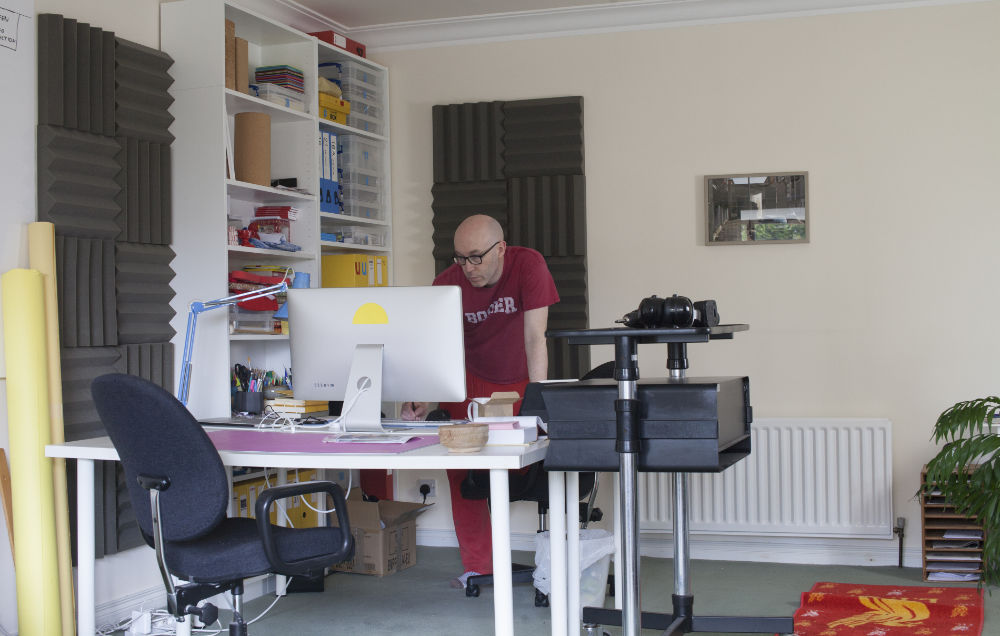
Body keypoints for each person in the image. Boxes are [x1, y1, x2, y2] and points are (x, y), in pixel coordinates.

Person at [401, 213, 559, 589]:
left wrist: (537, 395)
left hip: (520, 378)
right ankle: (479, 566)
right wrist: (422, 396)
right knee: (461, 471)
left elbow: (536, 337)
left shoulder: (528, 264)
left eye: (476, 257)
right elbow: (437, 346)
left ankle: (555, 562)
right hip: (470, 383)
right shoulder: (447, 283)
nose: (468, 268)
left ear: (500, 248)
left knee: (526, 465)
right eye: (460, 258)